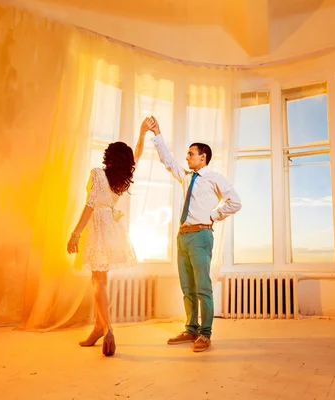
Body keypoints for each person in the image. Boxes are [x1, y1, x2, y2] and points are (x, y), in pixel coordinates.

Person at [145, 115, 241, 352]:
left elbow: (235, 202)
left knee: (202, 287)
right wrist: (157, 133)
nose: (187, 157)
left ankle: (205, 334)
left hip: (200, 236)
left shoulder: (214, 178)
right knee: (187, 287)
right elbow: (167, 160)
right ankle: (191, 329)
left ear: (203, 157)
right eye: (187, 154)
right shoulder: (187, 178)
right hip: (182, 237)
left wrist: (214, 216)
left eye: (191, 154)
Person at [66, 121, 149, 356]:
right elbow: (137, 155)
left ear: (109, 157)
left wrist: (76, 233)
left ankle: (108, 328)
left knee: (98, 281)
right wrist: (142, 133)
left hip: (98, 228)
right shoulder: (121, 180)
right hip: (111, 229)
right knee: (101, 280)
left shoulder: (98, 173)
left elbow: (90, 204)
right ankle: (98, 328)